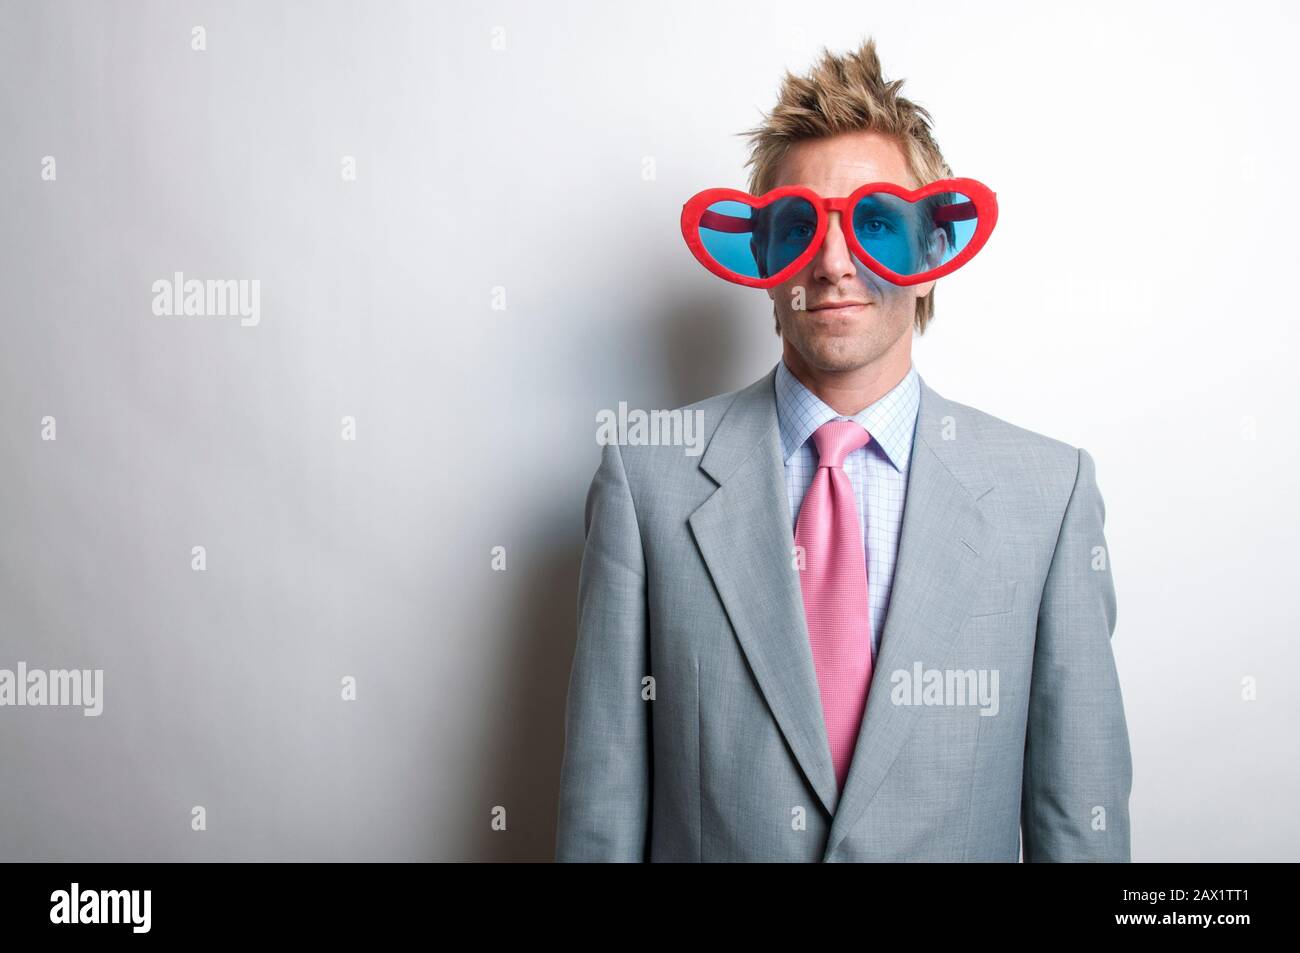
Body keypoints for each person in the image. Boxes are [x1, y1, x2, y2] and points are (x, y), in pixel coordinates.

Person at [555, 37, 1132, 862]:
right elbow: (600, 819)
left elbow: (1081, 827)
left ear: (932, 256)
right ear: (760, 257)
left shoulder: (1049, 495)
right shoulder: (646, 484)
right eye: (798, 228)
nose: (831, 264)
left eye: (877, 227)